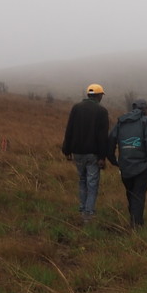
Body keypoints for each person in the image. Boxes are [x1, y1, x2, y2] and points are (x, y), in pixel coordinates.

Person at [61, 84, 111, 224]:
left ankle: (83, 209)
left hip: (77, 152)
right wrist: (102, 157)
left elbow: (69, 129)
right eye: (101, 95)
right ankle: (88, 214)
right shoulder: (102, 111)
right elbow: (103, 136)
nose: (101, 97)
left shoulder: (76, 108)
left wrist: (67, 150)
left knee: (82, 180)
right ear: (98, 95)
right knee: (92, 183)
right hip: (93, 154)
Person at [109, 98, 147, 228]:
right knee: (138, 195)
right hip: (143, 167)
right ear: (144, 109)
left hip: (125, 167)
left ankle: (134, 220)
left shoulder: (121, 122)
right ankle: (136, 225)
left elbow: (111, 141)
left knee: (131, 193)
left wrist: (113, 160)